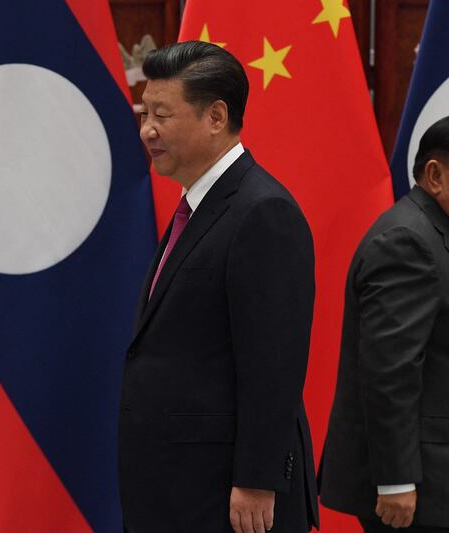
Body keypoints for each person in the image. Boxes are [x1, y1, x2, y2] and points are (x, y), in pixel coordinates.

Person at [118, 41, 319, 533]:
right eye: (145, 113)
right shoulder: (197, 208)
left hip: (228, 496)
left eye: (161, 115)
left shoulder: (262, 211)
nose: (147, 130)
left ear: (215, 116)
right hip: (176, 485)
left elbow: (274, 362)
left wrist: (256, 479)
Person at [318, 114, 449, 532]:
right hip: (420, 491)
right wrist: (395, 479)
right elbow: (389, 371)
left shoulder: (445, 234)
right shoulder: (408, 241)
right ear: (435, 174)